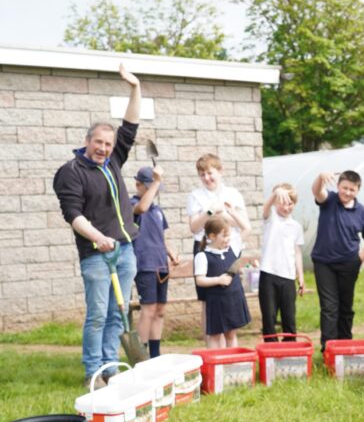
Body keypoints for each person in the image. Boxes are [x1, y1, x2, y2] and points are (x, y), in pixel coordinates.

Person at [52, 63, 142, 389]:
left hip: (126, 248)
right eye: (98, 142)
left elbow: (130, 124)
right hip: (95, 252)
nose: (104, 148)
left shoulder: (114, 159)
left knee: (118, 314)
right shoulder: (71, 171)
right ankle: (94, 371)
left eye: (108, 143)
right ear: (87, 140)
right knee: (98, 315)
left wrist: (135, 87)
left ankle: (111, 368)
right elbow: (73, 215)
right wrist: (99, 238)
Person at [311, 170, 364, 351]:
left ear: (357, 190)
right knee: (329, 307)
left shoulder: (361, 212)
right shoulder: (329, 200)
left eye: (352, 190)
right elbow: (317, 192)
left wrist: (359, 258)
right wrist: (320, 178)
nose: (347, 192)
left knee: (345, 306)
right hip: (324, 262)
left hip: (349, 264)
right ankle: (329, 348)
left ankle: (345, 345)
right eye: (344, 188)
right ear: (338, 186)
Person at [186, 154, 251, 339]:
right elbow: (193, 227)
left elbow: (243, 224)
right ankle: (213, 346)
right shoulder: (195, 196)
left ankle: (230, 343)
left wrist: (224, 215)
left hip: (230, 248)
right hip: (205, 249)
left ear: (220, 172)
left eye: (210, 173)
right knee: (209, 300)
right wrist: (210, 211)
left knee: (229, 295)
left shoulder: (233, 194)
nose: (207, 178)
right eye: (202, 174)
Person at [131, 166, 179, 358]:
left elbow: (160, 237)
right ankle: (141, 356)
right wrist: (157, 181)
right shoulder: (132, 204)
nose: (155, 190)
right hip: (145, 266)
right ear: (138, 185)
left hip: (161, 266)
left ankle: (155, 355)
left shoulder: (158, 210)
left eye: (157, 187)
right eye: (151, 186)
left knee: (160, 310)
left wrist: (170, 252)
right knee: (148, 310)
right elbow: (142, 207)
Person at [194, 218, 251, 348]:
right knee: (215, 335)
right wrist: (218, 280)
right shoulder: (202, 256)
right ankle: (216, 367)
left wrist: (230, 213)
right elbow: (200, 280)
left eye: (228, 236)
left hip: (233, 299)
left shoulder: (233, 248)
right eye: (224, 236)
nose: (227, 239)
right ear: (212, 236)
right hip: (217, 302)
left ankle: (232, 366)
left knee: (231, 335)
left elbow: (247, 228)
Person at [258, 183, 305, 340]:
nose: (286, 208)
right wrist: (275, 194)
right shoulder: (270, 219)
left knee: (289, 315)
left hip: (288, 276)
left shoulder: (296, 226)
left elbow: (297, 252)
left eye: (290, 204)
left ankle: (290, 349)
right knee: (269, 316)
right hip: (269, 274)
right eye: (282, 203)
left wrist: (301, 276)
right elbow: (265, 208)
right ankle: (271, 352)